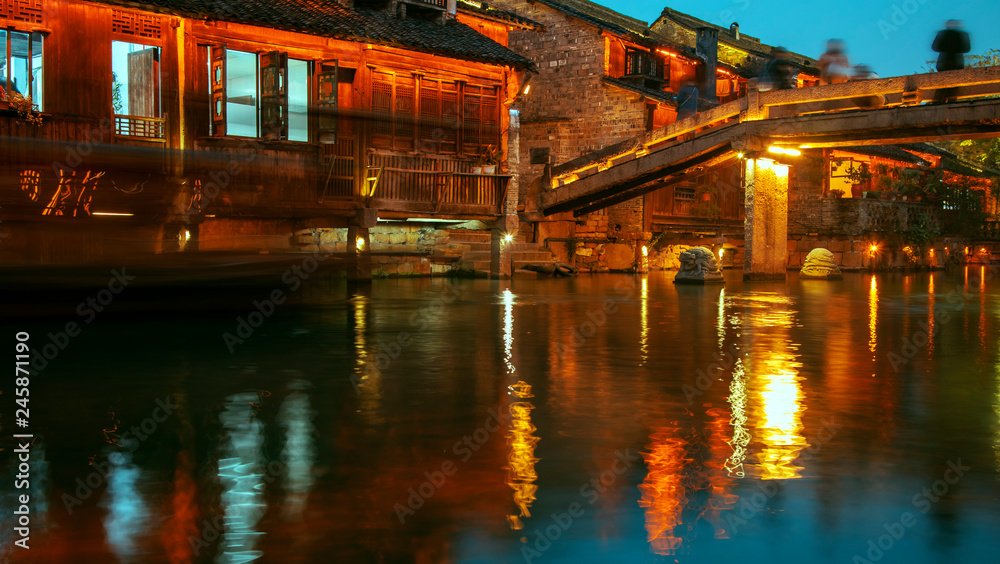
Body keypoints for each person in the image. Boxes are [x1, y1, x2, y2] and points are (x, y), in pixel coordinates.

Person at [932, 20, 971, 103]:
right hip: (949, 63)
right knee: (944, 85)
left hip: (952, 63)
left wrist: (948, 48)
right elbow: (934, 47)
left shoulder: (959, 34)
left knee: (950, 86)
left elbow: (967, 48)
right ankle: (941, 103)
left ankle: (943, 103)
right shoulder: (959, 34)